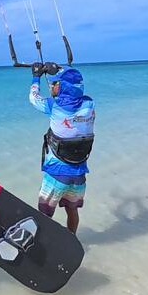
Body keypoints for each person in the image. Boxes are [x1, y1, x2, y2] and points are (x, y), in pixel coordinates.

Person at [28, 63, 95, 234]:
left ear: (63, 87)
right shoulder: (89, 106)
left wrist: (36, 76)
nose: (52, 86)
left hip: (56, 176)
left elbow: (34, 97)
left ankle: (43, 246)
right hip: (79, 177)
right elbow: (75, 82)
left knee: (43, 215)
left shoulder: (54, 107)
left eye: (55, 83)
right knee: (72, 210)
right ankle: (71, 239)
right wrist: (58, 69)